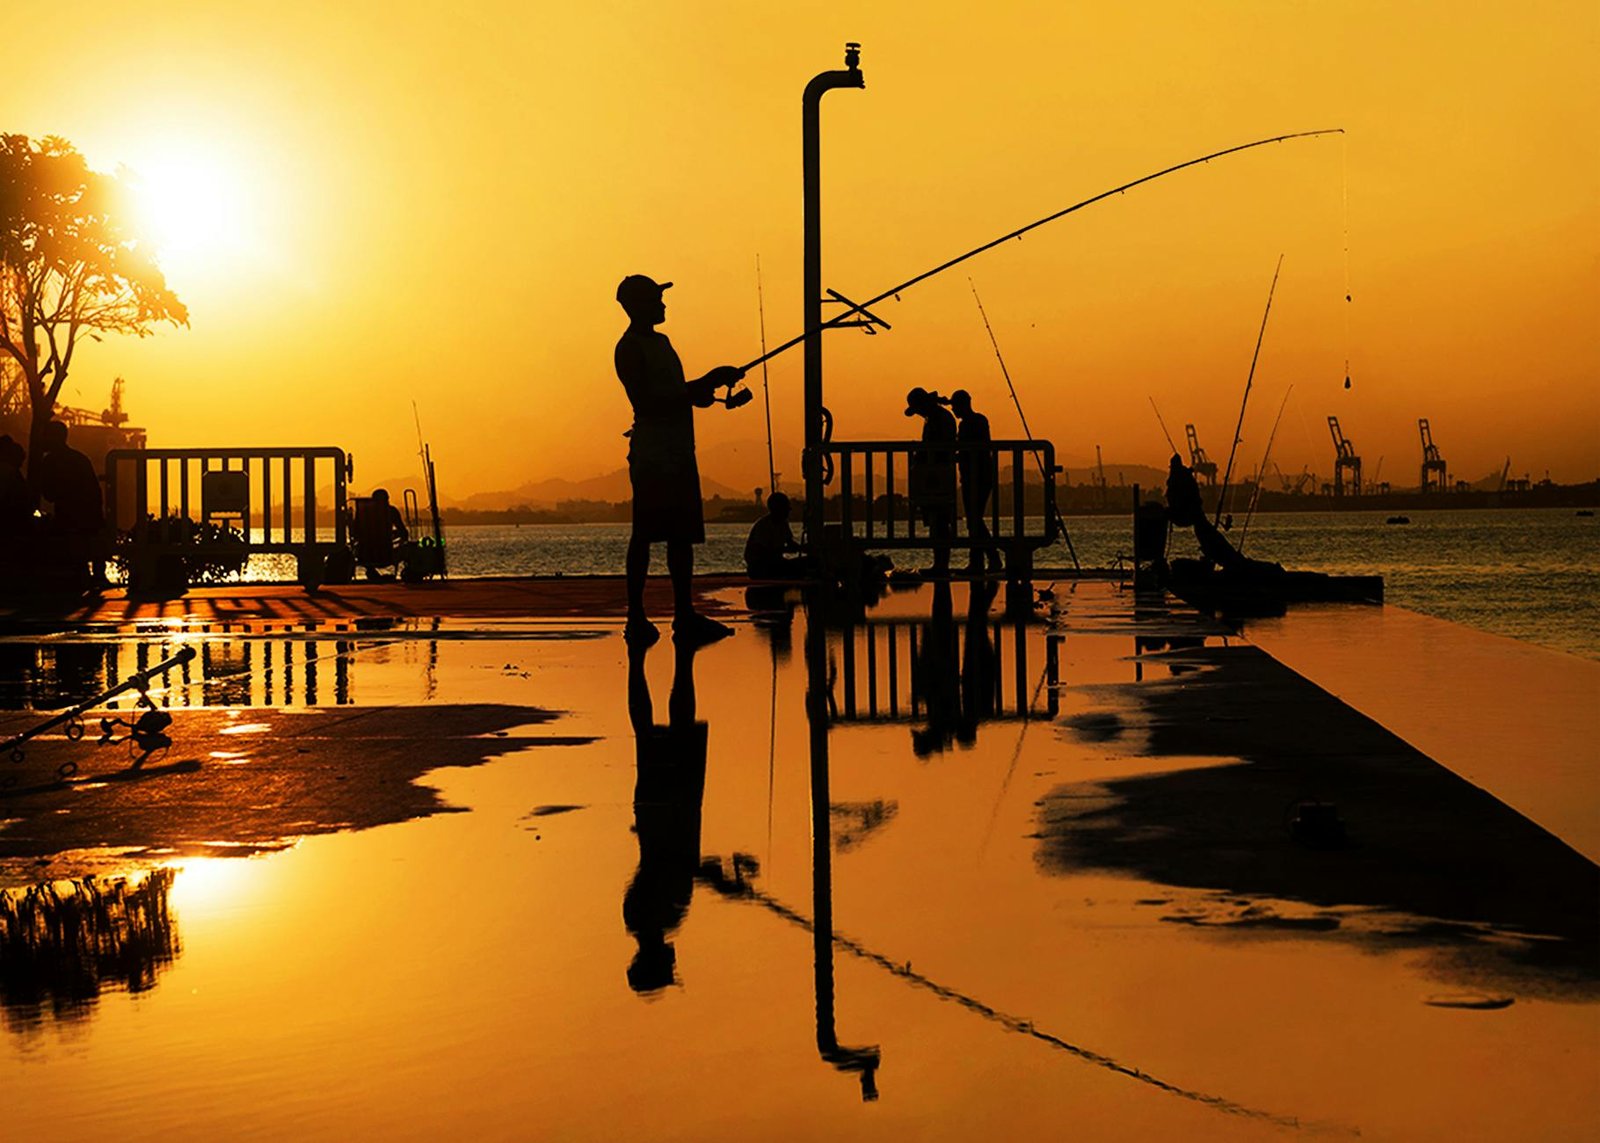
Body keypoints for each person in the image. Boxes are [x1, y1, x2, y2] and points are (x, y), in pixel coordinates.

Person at [614, 274, 747, 646]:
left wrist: (706, 387)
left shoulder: (663, 342)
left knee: (681, 536)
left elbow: (676, 394)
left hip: (679, 451)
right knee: (644, 535)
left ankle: (684, 614)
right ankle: (636, 617)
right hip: (653, 456)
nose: (663, 304)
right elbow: (647, 403)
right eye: (656, 298)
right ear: (636, 305)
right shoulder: (629, 348)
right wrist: (704, 383)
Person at [34, 420, 107, 587]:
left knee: (75, 557)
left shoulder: (50, 461)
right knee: (91, 551)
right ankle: (96, 578)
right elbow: (95, 490)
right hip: (89, 516)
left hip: (68, 518)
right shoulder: (80, 458)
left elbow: (49, 495)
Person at [904, 387, 957, 577]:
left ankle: (942, 564)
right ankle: (939, 564)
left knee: (940, 521)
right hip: (933, 476)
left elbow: (940, 445)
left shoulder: (940, 418)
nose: (918, 413)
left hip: (939, 477)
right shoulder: (936, 417)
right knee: (936, 521)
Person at [949, 389, 1002, 575]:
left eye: (955, 406)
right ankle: (981, 560)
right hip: (977, 475)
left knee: (974, 519)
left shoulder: (971, 423)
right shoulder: (978, 421)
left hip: (976, 476)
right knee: (974, 519)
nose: (953, 410)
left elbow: (969, 448)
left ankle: (989, 559)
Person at [743, 491, 806, 580]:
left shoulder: (783, 524)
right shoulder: (763, 525)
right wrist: (786, 550)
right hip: (759, 568)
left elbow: (790, 543)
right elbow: (763, 552)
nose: (788, 512)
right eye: (786, 509)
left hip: (775, 564)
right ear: (778, 509)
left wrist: (803, 548)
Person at [354, 488, 410, 580]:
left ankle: (371, 570)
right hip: (387, 554)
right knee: (408, 548)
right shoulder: (391, 511)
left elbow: (355, 533)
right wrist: (393, 535)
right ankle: (409, 573)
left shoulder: (364, 512)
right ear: (386, 500)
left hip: (365, 555)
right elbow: (403, 532)